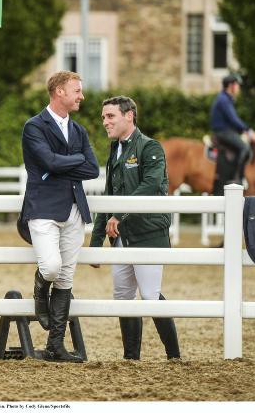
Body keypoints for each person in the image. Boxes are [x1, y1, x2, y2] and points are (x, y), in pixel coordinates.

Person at [90, 96, 180, 360]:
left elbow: (150, 186)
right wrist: (95, 244)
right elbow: (108, 196)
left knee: (151, 296)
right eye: (104, 117)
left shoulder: (150, 147)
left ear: (129, 116)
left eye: (110, 116)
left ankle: (174, 356)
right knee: (122, 296)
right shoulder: (114, 151)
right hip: (122, 237)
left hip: (147, 234)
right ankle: (131, 358)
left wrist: (118, 215)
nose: (105, 122)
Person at [21, 71, 99, 363]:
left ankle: (56, 344)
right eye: (77, 90)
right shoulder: (34, 127)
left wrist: (60, 165)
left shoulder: (78, 131)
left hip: (74, 208)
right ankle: (40, 287)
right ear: (58, 92)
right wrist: (70, 161)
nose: (81, 96)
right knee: (52, 267)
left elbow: (92, 169)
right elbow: (48, 161)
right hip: (43, 207)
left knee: (66, 277)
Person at [210, 73, 255, 191]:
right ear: (231, 85)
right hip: (223, 132)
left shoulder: (225, 98)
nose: (238, 88)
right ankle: (238, 178)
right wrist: (248, 131)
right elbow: (233, 119)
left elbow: (232, 121)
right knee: (244, 147)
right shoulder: (224, 99)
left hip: (226, 130)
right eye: (237, 85)